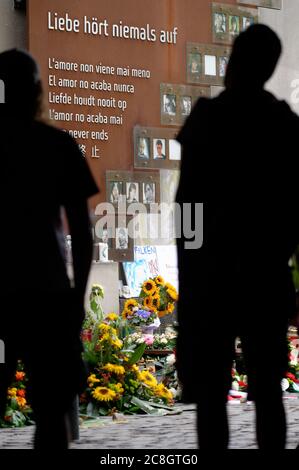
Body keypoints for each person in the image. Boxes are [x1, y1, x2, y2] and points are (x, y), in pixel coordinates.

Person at [176, 24, 299, 449]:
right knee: (268, 392)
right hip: (266, 277)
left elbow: (187, 208)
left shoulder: (208, 119)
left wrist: (188, 271)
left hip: (212, 279)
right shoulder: (284, 124)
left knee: (211, 394)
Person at [0, 49, 98, 449]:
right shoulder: (57, 146)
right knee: (52, 414)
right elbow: (83, 230)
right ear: (38, 89)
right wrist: (77, 295)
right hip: (47, 296)